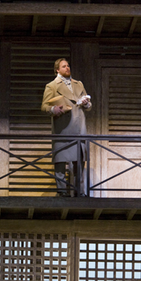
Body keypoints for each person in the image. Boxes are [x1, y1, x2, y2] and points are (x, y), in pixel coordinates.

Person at [41, 58, 92, 197]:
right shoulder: (52, 86)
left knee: (79, 161)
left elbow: (88, 105)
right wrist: (53, 109)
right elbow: (44, 106)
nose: (67, 68)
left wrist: (87, 103)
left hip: (79, 126)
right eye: (64, 66)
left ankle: (79, 192)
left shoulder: (78, 84)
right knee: (60, 160)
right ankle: (62, 192)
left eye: (68, 65)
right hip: (63, 127)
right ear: (57, 69)